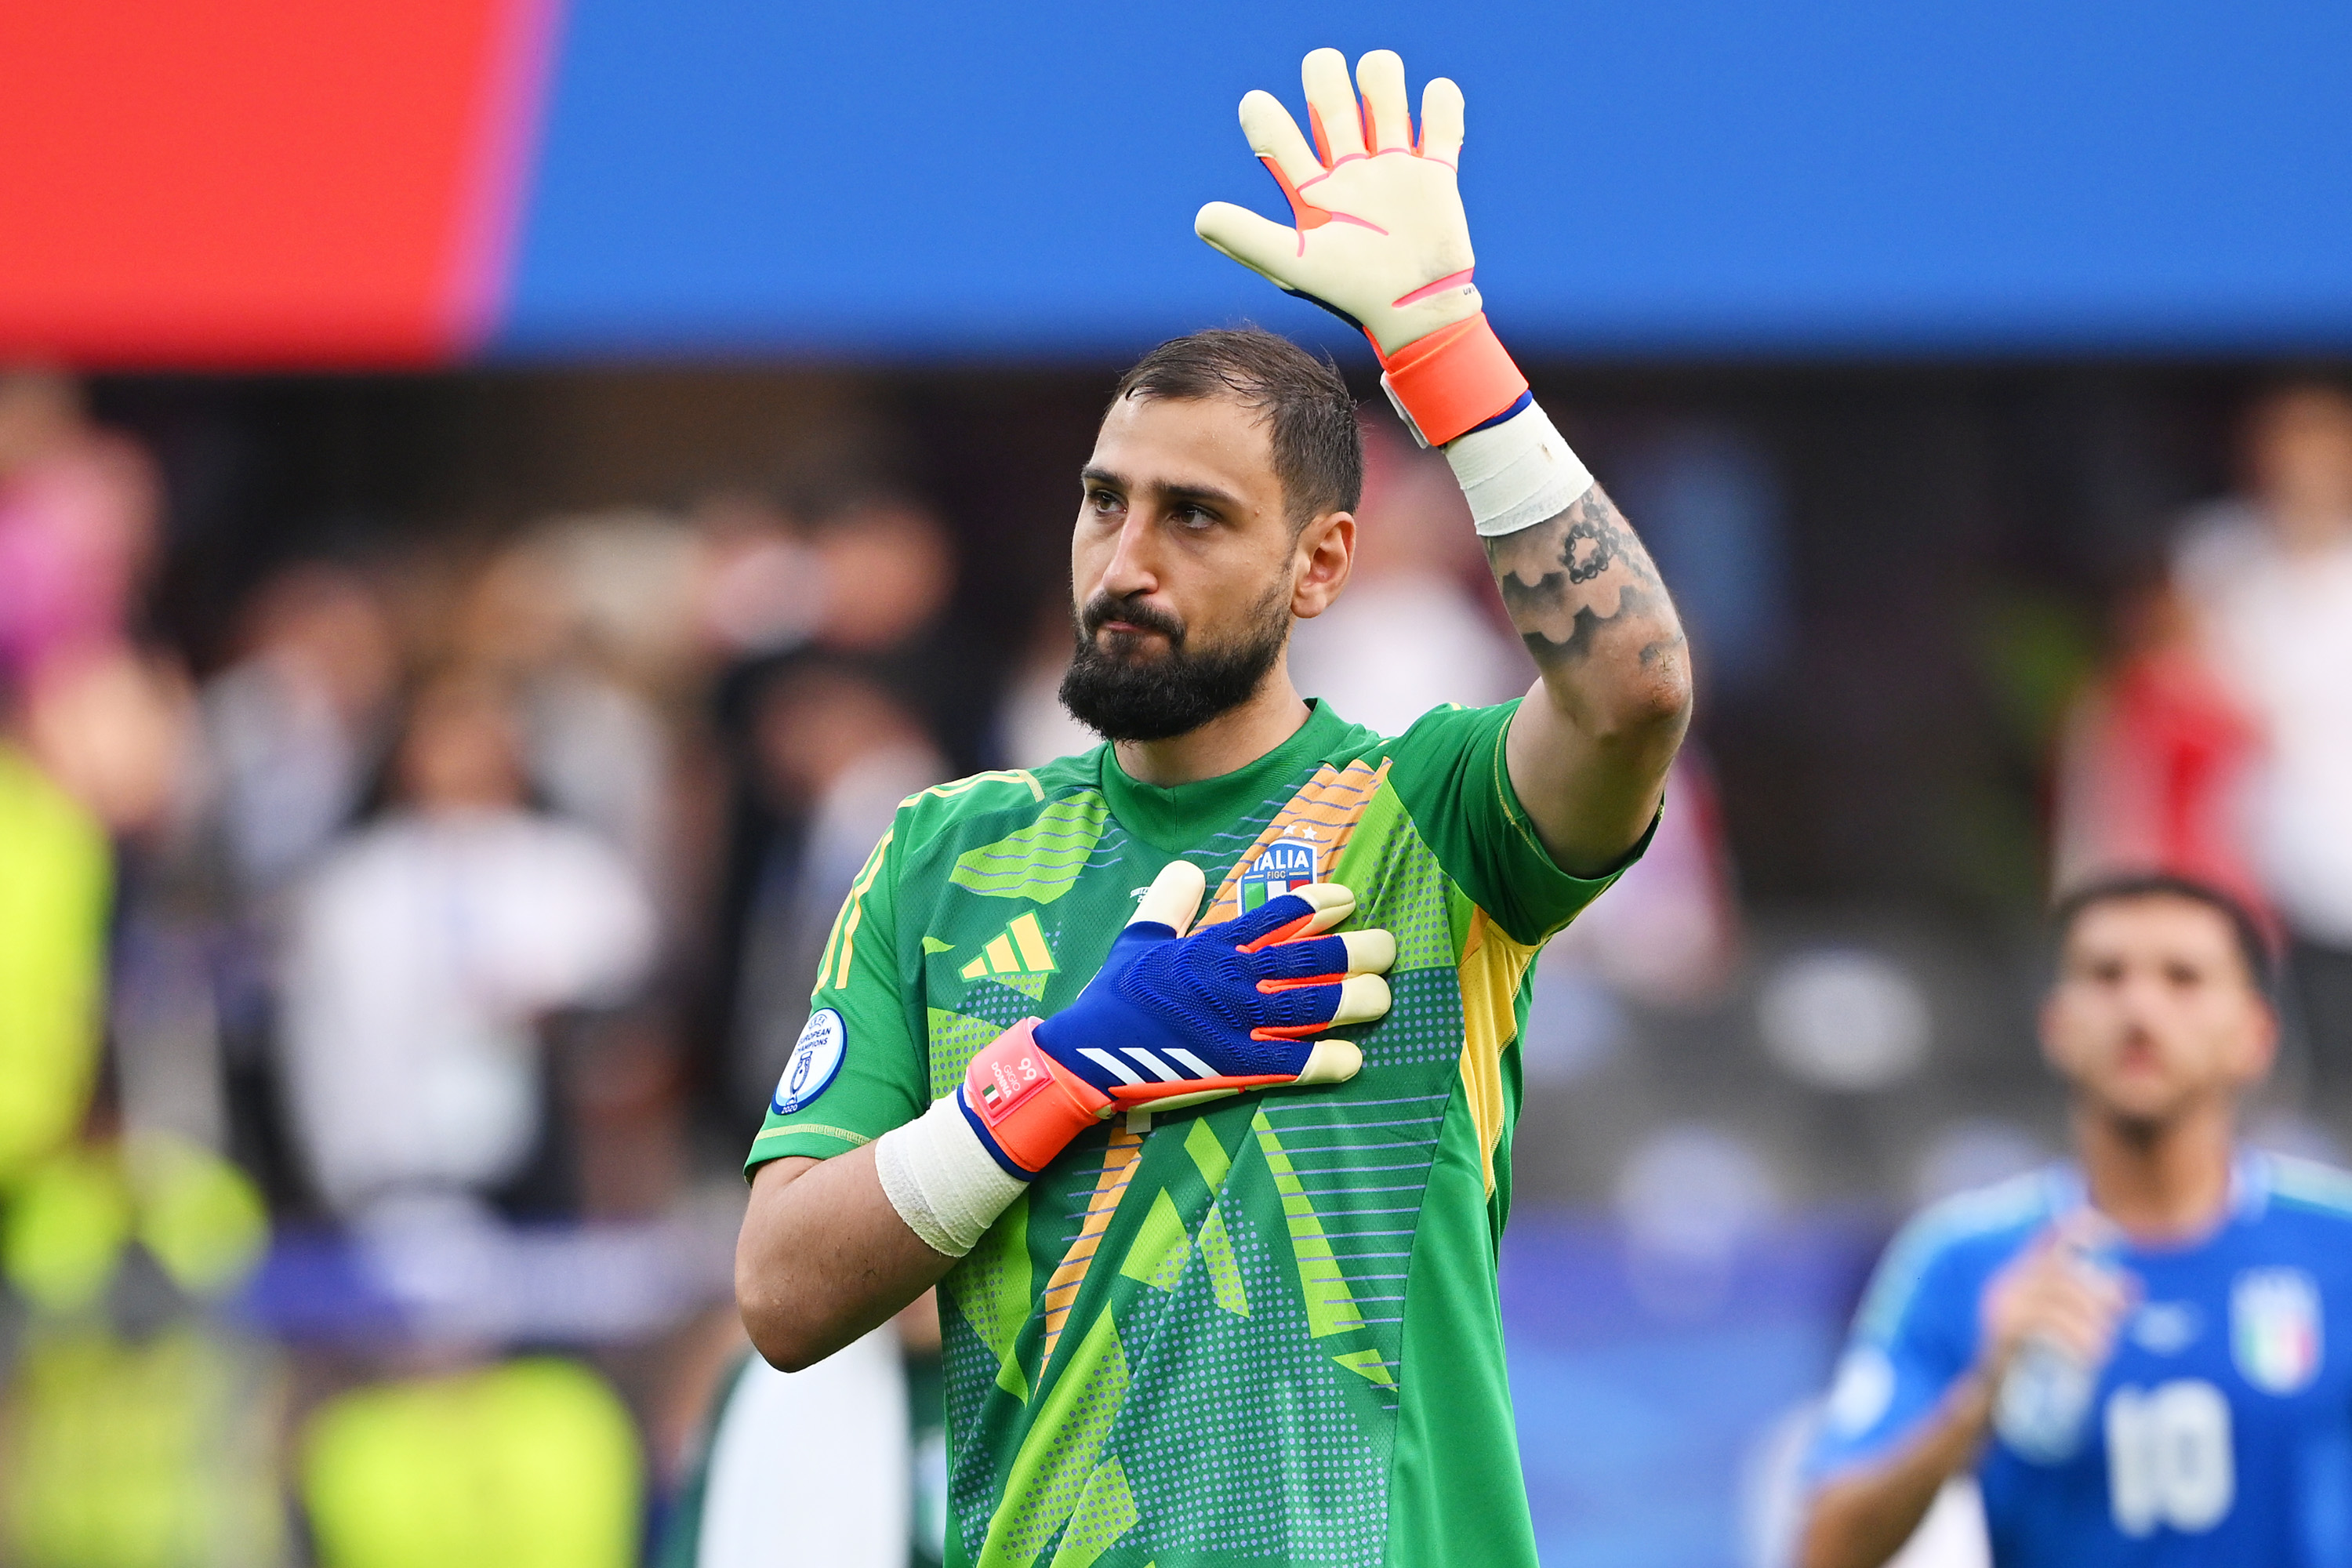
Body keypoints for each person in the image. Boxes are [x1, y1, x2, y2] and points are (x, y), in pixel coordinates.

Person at [733, 49, 1690, 1568]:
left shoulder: (1429, 814)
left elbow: (1634, 689)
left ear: (1320, 566)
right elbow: (783, 1294)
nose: (1125, 561)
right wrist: (1054, 1073)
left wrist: (1446, 351)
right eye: (1104, 500)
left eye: (1195, 516)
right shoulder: (944, 854)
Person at [1798, 873, 2352, 1568]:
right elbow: (1824, 1549)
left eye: (2182, 978)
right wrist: (1980, 1397)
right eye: (2106, 975)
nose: (2140, 1007)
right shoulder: (1963, 1261)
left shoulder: (2338, 1244)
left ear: (2254, 1036)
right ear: (2057, 1026)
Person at [2171, 383, 2352, 1092]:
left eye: (2321, 452)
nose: (2301, 471)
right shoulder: (2216, 559)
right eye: (2285, 452)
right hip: (2249, 860)